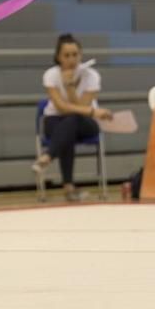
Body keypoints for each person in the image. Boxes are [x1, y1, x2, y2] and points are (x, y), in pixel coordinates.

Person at [33, 33, 113, 201]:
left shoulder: (91, 76)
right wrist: (92, 111)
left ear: (81, 55)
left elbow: (81, 108)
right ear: (58, 57)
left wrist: (69, 86)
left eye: (75, 54)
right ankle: (69, 188)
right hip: (55, 120)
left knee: (73, 120)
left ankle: (48, 156)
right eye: (67, 55)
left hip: (85, 124)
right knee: (67, 127)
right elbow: (60, 107)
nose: (72, 59)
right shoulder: (51, 75)